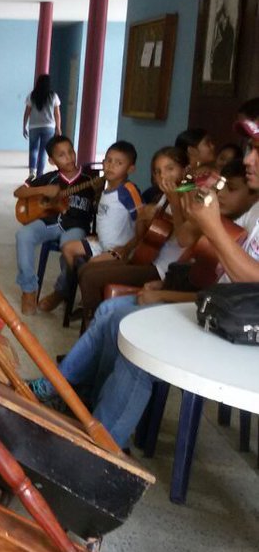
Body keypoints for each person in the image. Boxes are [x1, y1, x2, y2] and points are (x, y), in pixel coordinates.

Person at [28, 122, 259, 447]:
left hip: (230, 322)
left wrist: (206, 227)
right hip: (211, 307)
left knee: (132, 339)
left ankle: (102, 442)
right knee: (110, 313)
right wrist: (188, 206)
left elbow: (243, 283)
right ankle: (75, 398)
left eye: (257, 152)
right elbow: (187, 239)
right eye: (251, 150)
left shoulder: (243, 212)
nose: (248, 159)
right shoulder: (252, 211)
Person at [74, 146, 189, 325]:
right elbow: (146, 236)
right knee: (85, 270)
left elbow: (183, 240)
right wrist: (142, 218)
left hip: (163, 270)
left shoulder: (187, 199)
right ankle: (94, 321)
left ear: (185, 170)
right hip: (147, 258)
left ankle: (95, 326)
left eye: (170, 169)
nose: (163, 176)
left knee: (90, 277)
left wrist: (174, 202)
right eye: (158, 171)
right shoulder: (163, 198)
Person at [39, 141, 141, 313]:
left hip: (120, 249)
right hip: (102, 243)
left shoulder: (128, 190)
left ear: (130, 169)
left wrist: (128, 248)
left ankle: (85, 304)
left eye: (118, 163)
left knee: (89, 268)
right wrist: (97, 194)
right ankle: (66, 291)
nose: (111, 166)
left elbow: (142, 220)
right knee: (68, 249)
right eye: (108, 160)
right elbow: (106, 217)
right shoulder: (106, 188)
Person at [13, 134, 98, 315]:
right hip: (50, 222)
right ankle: (28, 290)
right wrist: (44, 189)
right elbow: (18, 192)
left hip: (76, 226)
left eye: (70, 152)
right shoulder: (50, 178)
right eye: (61, 155)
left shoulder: (90, 180)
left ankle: (61, 291)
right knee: (23, 235)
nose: (69, 157)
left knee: (69, 248)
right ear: (52, 161)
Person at [22, 73, 61, 178]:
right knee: (43, 151)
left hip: (34, 127)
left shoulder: (32, 95)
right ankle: (40, 175)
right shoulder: (53, 96)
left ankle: (32, 172)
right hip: (49, 127)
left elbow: (27, 112)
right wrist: (58, 128)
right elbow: (57, 114)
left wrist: (24, 126)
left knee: (33, 149)